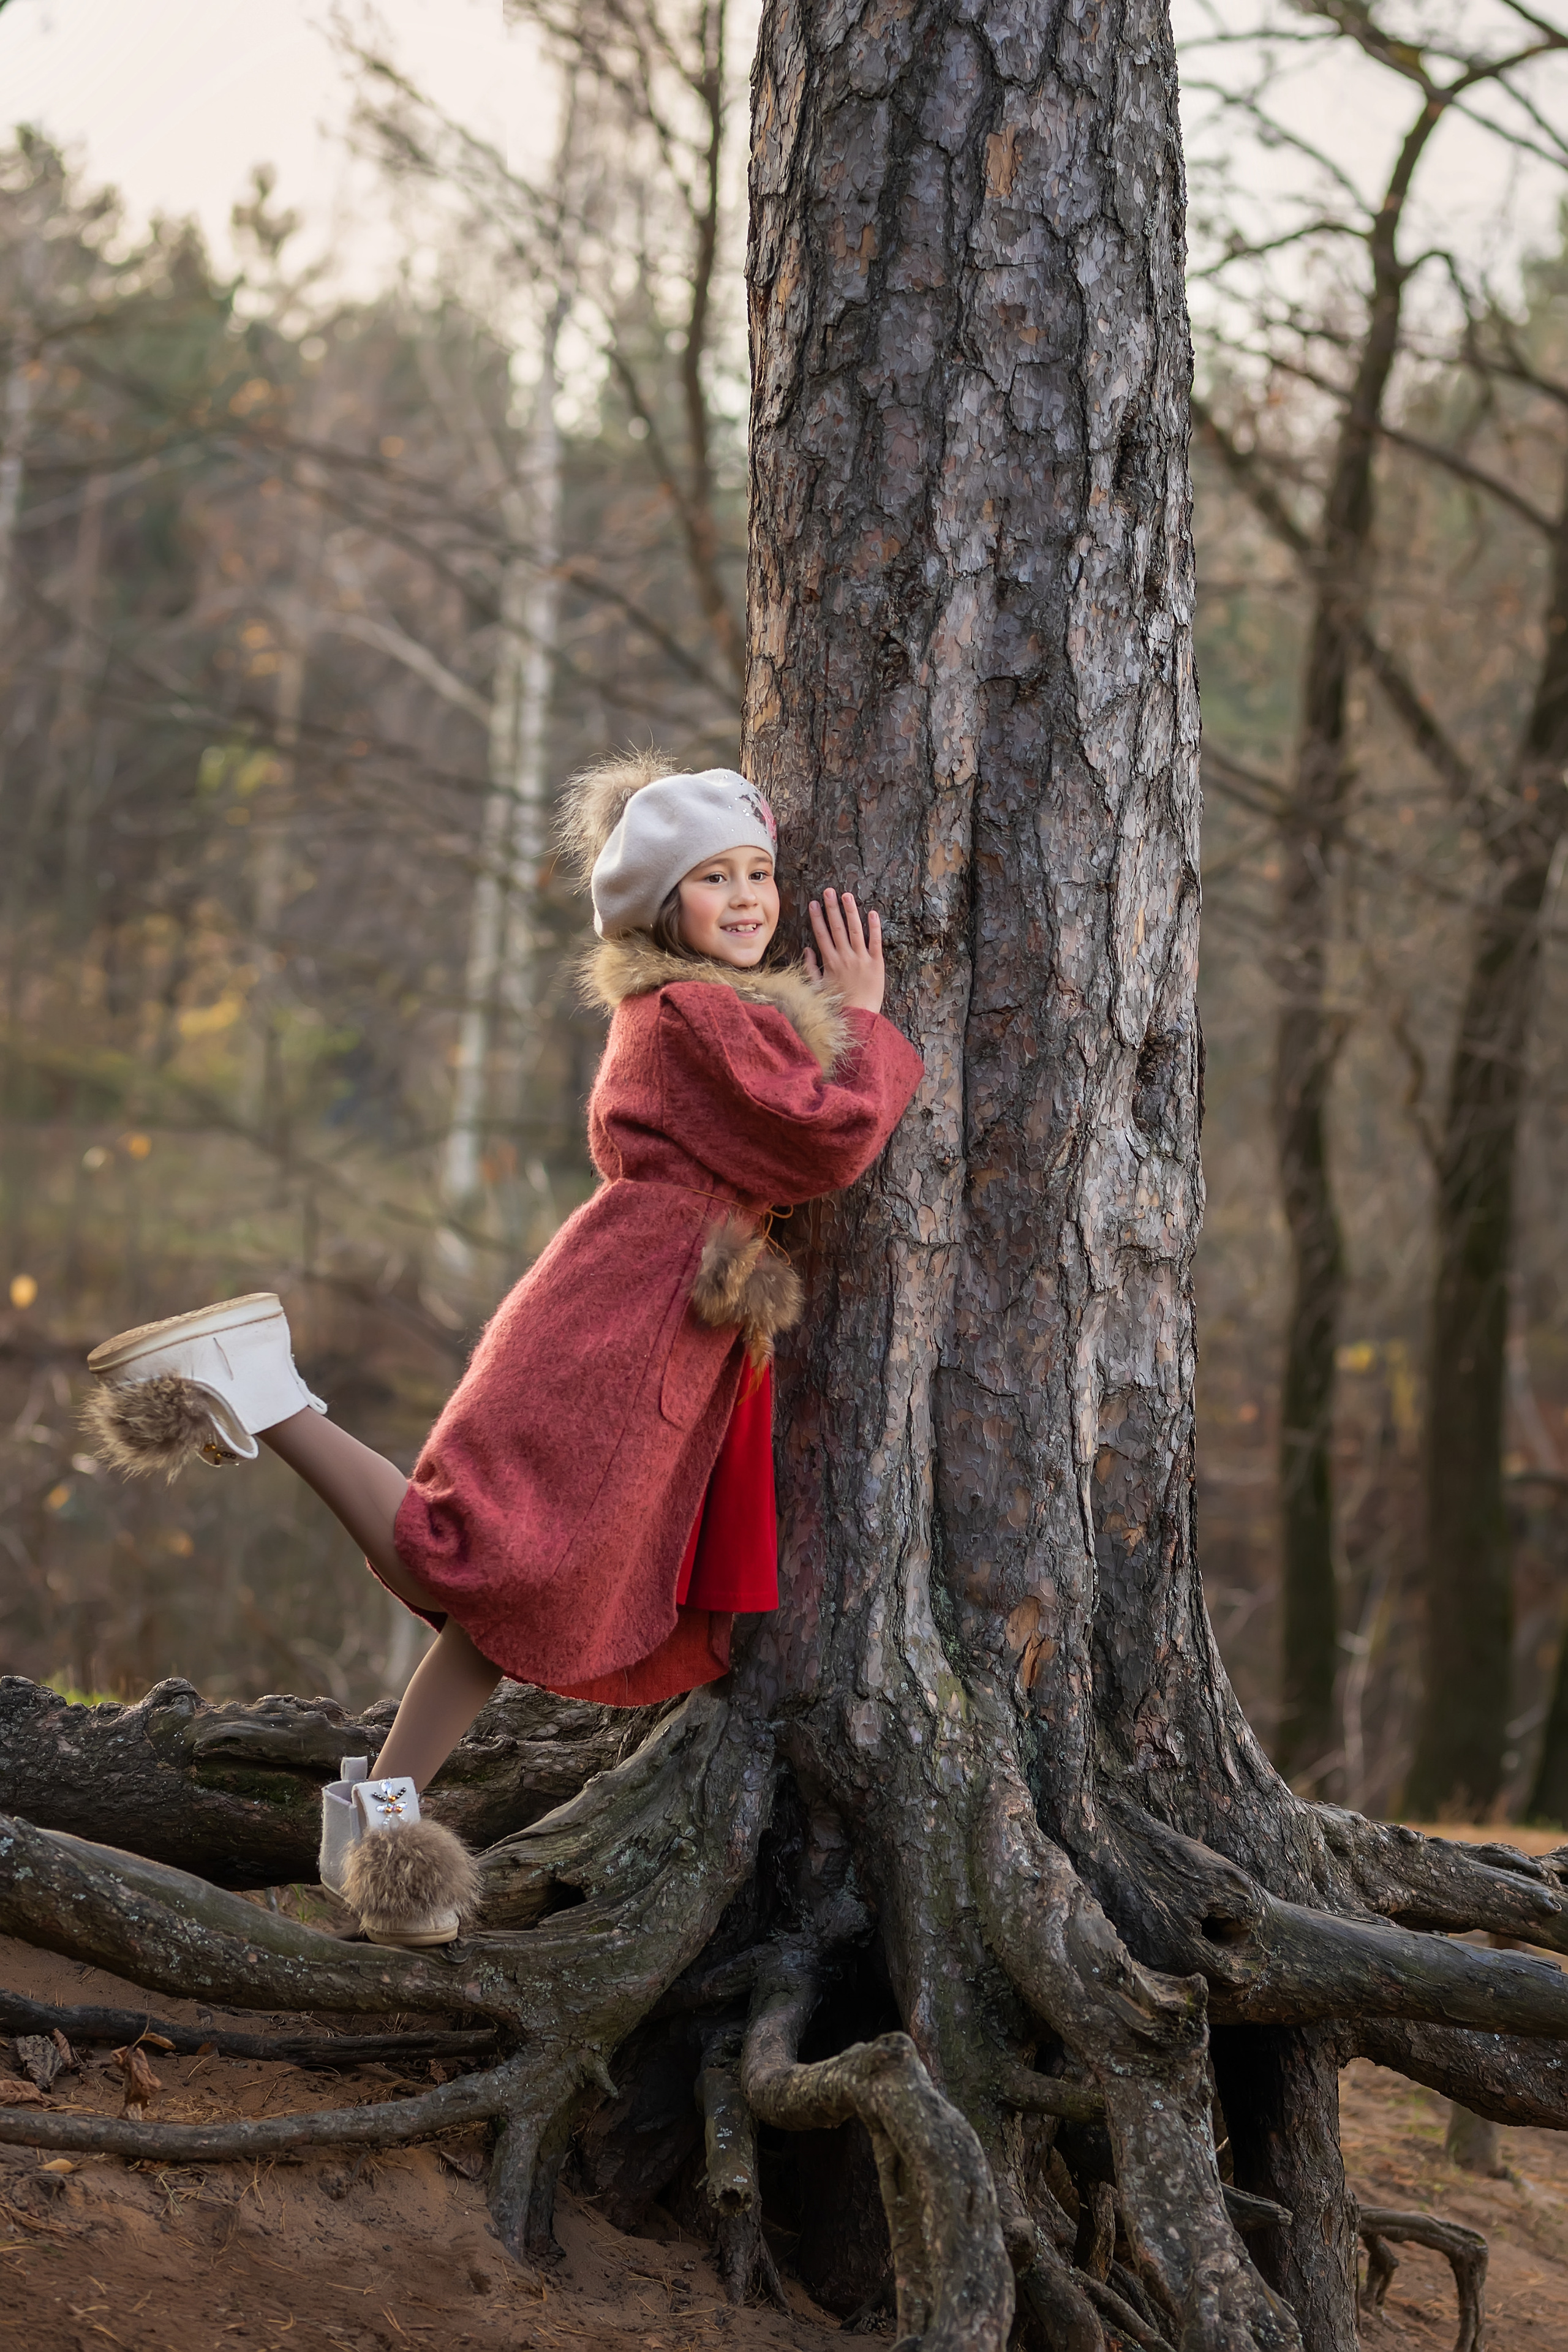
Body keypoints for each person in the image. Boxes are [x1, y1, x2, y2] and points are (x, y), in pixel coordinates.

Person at [83, 758, 924, 1945]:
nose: (747, 899)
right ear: (655, 904)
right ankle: (263, 1391)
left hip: (648, 1319)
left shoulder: (703, 1008)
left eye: (760, 874)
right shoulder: (691, 1014)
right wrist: (866, 1026)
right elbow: (821, 1139)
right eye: (713, 880)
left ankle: (376, 1831)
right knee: (482, 1565)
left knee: (498, 1610)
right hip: (621, 1329)